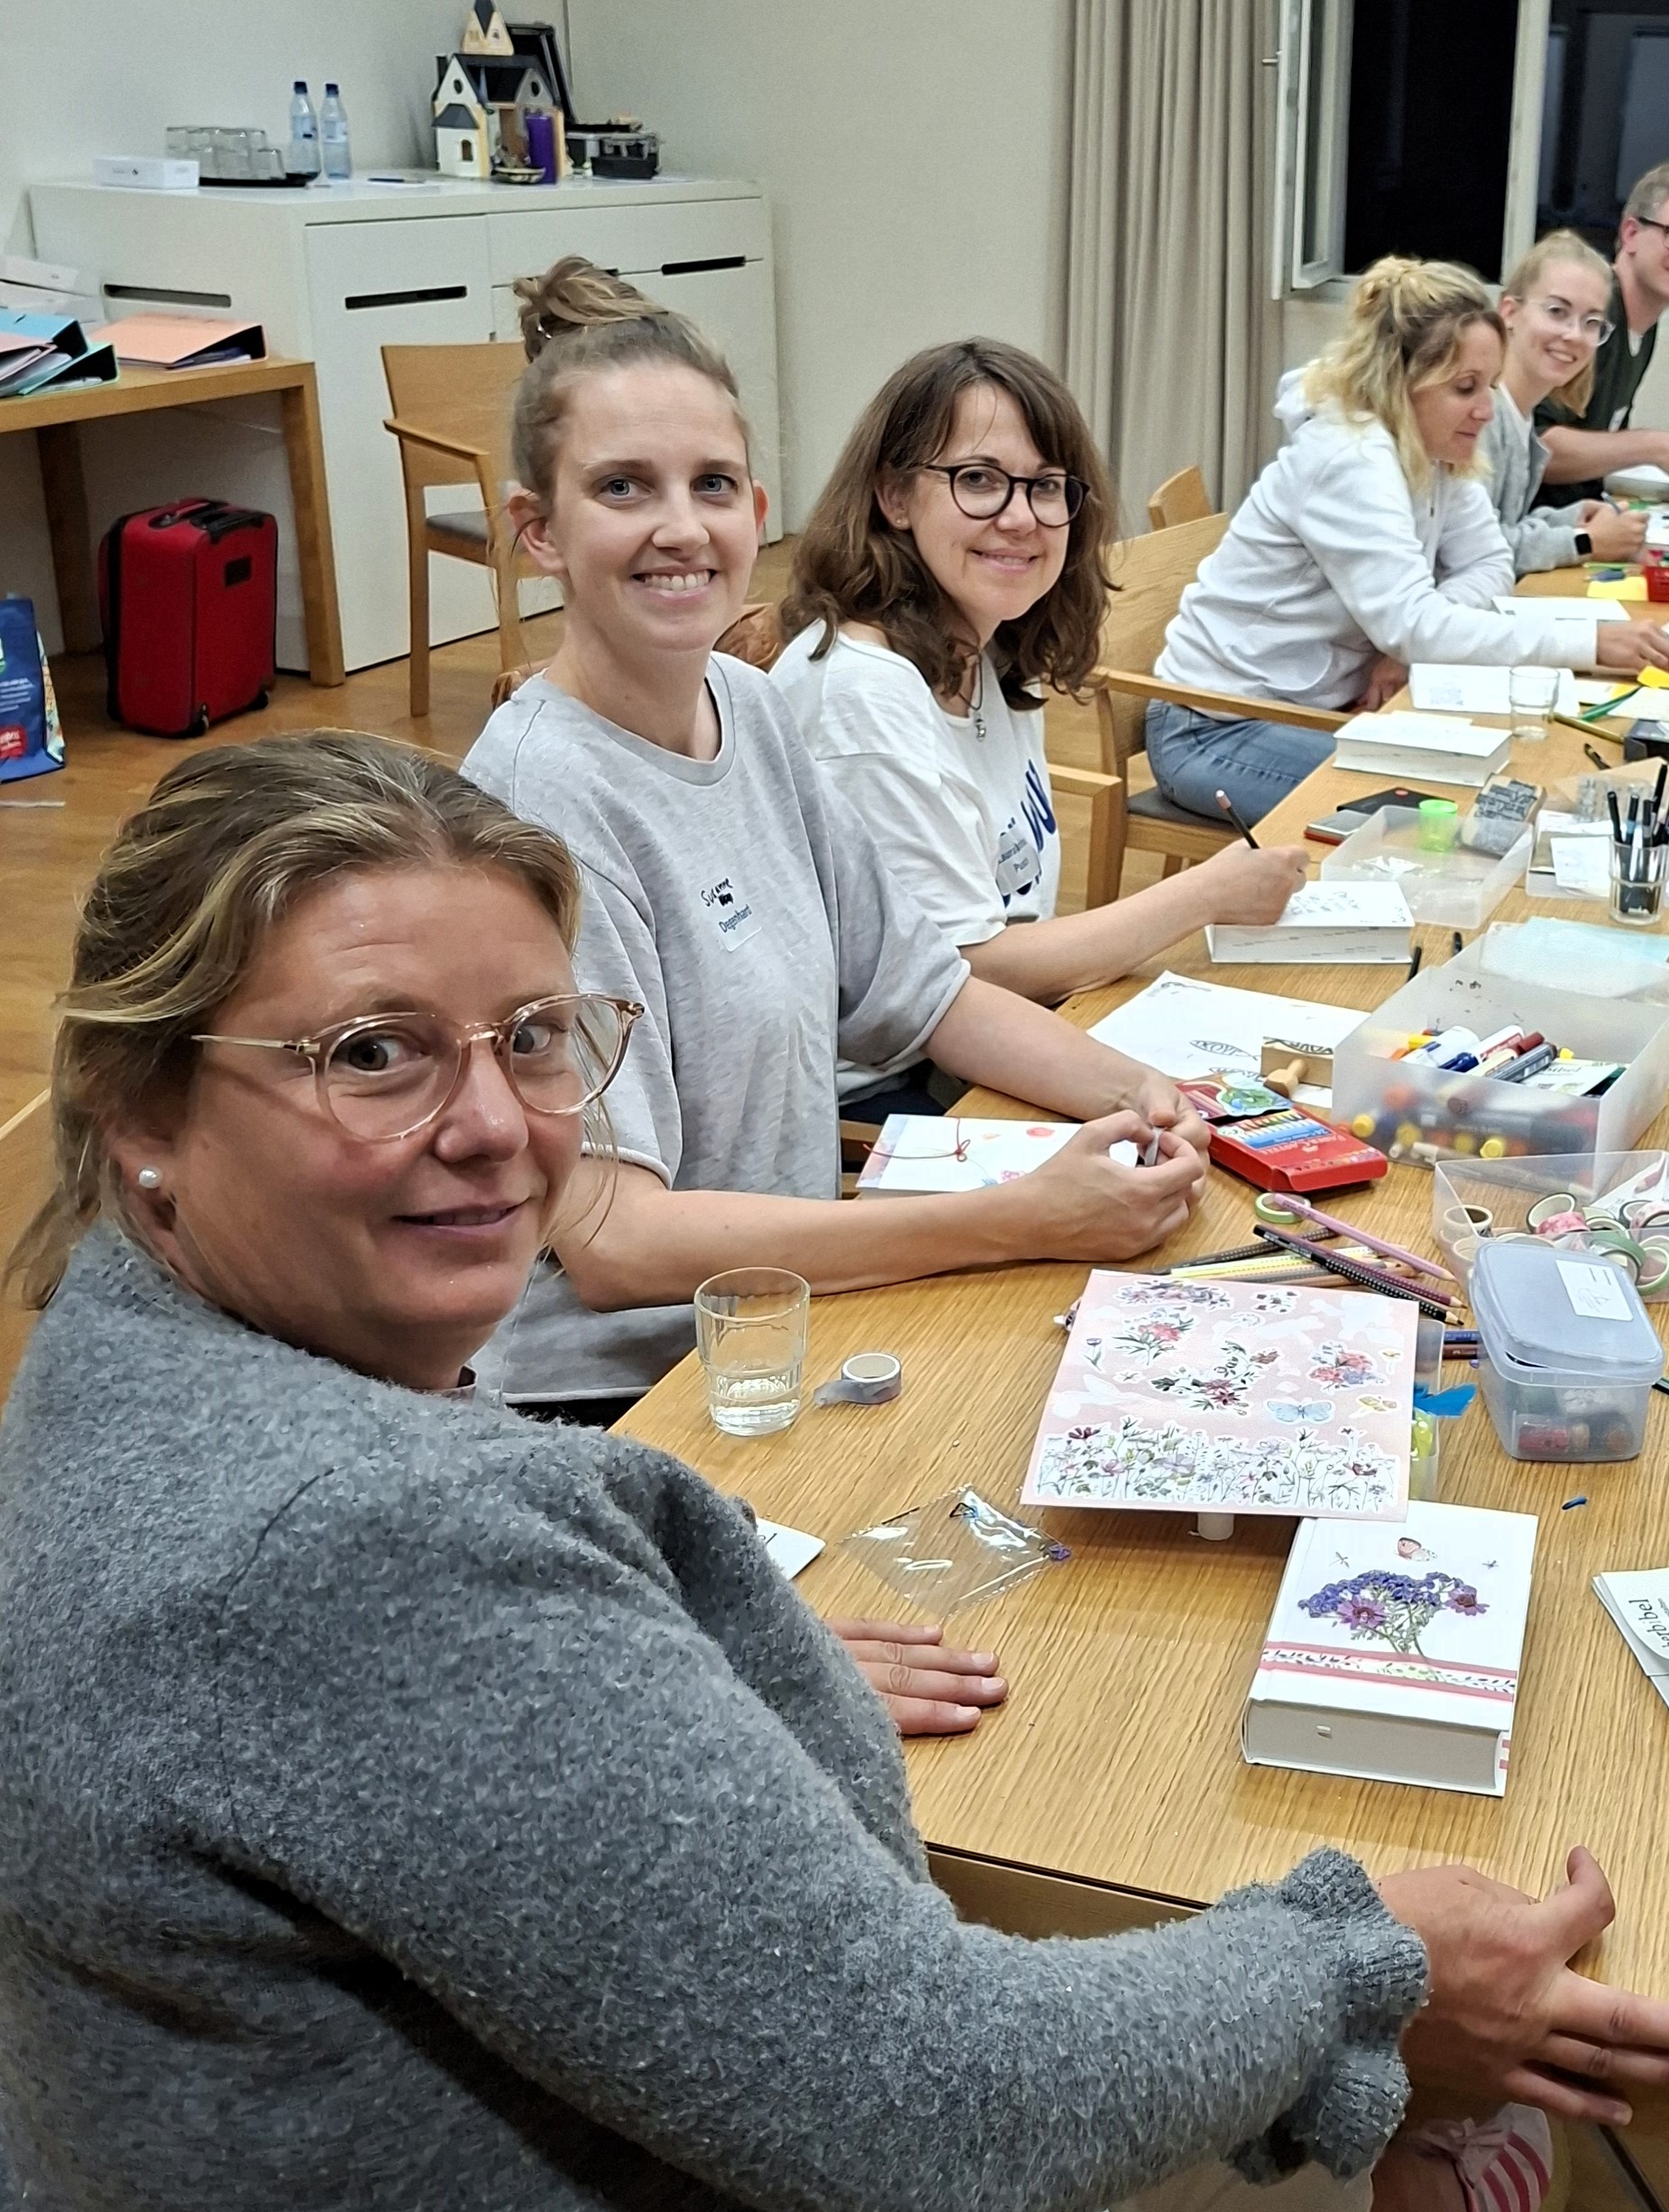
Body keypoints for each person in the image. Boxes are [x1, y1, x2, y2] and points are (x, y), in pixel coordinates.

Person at [0, 730, 1669, 2212]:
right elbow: (929, 2108)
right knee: (1124, 2033)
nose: (501, 1129)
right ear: (141, 1111)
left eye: (537, 1039)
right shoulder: (359, 1550)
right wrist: (1376, 1960)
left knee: (1120, 1994)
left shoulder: (130, 1386)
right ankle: (1421, 2152)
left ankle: (1405, 2166)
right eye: (375, 1055)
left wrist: (655, 1659)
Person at [461, 262, 1211, 1420]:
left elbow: (923, 989)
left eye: (712, 484)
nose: (680, 526)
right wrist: (1005, 1223)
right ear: (536, 531)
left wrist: (1156, 1095)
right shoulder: (539, 800)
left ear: (759, 513)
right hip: (627, 1396)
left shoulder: (747, 705)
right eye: (622, 487)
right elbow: (612, 1242)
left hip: (784, 1324)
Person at [766, 339, 1307, 1008]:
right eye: (979, 480)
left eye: (1046, 486)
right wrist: (1205, 895)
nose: (1021, 518)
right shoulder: (863, 693)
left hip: (1011, 1027)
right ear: (894, 496)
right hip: (898, 1092)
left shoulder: (981, 650)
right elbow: (965, 977)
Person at [1142, 256, 1669, 829]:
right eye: (1465, 388)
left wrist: (1404, 643)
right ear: (1401, 380)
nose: (1485, 410)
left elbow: (1488, 562)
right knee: (1461, 818)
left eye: (1491, 386)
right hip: (1214, 731)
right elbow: (1415, 625)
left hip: (1305, 714)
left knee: (1496, 794)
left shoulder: (1437, 448)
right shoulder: (1350, 456)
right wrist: (1588, 641)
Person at [1534, 160, 1669, 501]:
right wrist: (1653, 446)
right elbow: (1535, 447)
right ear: (1630, 233)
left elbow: (1605, 442)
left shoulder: (1644, 326)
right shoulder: (1591, 315)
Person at [1486, 231, 1649, 574]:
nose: (1574, 335)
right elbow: (1474, 550)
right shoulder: (1481, 417)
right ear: (1509, 312)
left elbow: (1508, 522)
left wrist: (1573, 518)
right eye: (1557, 311)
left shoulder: (1521, 416)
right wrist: (1584, 541)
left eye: (1591, 322)